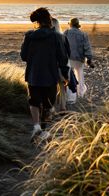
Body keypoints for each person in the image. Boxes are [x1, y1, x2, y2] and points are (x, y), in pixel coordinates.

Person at [20, 8, 69, 141]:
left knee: (34, 101)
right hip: (50, 75)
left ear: (37, 22)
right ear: (49, 20)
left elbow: (23, 56)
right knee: (48, 104)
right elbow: (62, 58)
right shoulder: (57, 37)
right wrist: (65, 75)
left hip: (33, 75)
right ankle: (44, 129)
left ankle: (36, 127)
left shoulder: (29, 36)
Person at [64, 17, 94, 102]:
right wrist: (89, 58)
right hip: (79, 58)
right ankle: (80, 93)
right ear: (78, 25)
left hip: (69, 58)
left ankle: (71, 97)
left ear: (70, 24)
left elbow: (62, 45)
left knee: (69, 76)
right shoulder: (83, 34)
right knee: (80, 75)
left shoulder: (66, 32)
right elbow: (87, 48)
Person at [51, 17, 70, 112]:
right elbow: (68, 52)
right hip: (62, 65)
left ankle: (52, 107)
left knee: (52, 86)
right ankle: (63, 107)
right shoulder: (63, 37)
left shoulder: (49, 37)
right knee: (63, 87)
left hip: (52, 66)